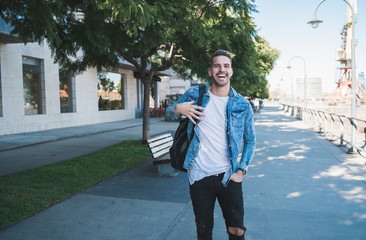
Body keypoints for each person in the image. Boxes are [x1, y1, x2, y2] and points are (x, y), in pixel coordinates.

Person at [166, 50, 256, 240]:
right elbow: (168, 113)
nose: (221, 70)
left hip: (229, 176)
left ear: (231, 71)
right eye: (217, 66)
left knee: (237, 229)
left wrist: (242, 170)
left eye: (226, 66)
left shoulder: (242, 104)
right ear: (210, 71)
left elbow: (250, 140)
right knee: (204, 229)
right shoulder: (195, 94)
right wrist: (176, 108)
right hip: (199, 176)